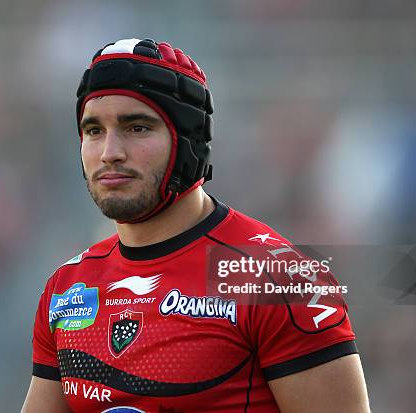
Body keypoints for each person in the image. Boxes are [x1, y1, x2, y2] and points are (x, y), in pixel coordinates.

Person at [21, 38, 370, 413]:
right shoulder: (67, 288)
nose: (110, 152)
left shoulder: (279, 277)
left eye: (137, 128)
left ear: (188, 140)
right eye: (93, 130)